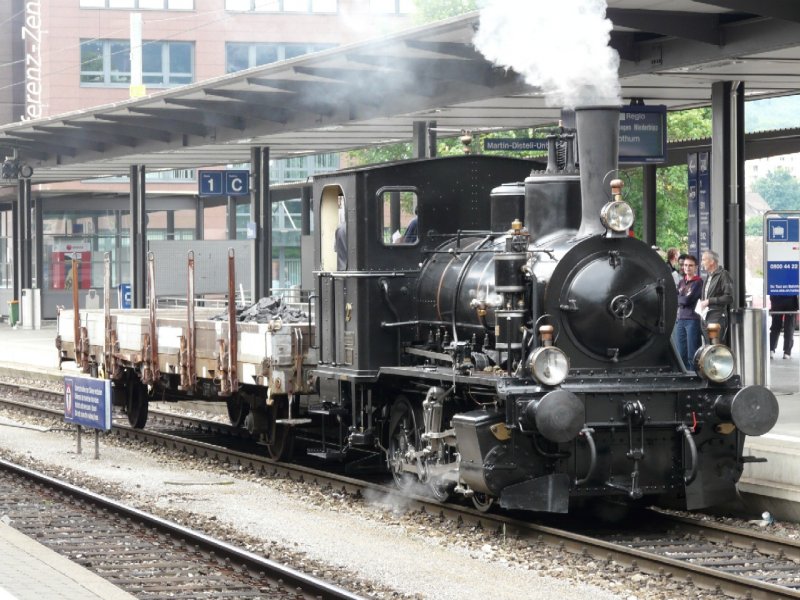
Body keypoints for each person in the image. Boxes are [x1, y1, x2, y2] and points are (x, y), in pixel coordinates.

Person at [672, 254, 703, 370]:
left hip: (692, 320)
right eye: (685, 265)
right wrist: (681, 299)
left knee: (692, 353)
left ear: (696, 267)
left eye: (690, 265)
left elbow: (687, 300)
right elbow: (675, 299)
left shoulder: (698, 282)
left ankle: (694, 377)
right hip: (680, 320)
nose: (687, 268)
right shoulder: (681, 282)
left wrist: (680, 298)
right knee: (681, 353)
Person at [698, 250, 734, 343]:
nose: (701, 262)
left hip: (716, 317)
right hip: (705, 317)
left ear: (712, 261)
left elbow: (729, 298)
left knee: (715, 348)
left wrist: (709, 301)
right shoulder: (708, 276)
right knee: (708, 349)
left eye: (704, 260)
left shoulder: (724, 275)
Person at [769, 294, 799, 359]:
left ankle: (771, 350)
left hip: (777, 298)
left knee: (775, 326)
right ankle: (787, 353)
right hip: (791, 299)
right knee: (789, 327)